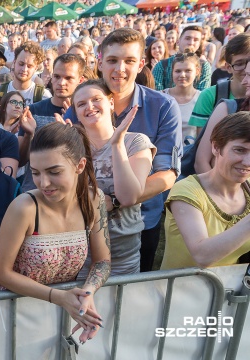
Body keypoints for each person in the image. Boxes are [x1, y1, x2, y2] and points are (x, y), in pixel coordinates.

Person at [63, 28, 182, 273]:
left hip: (138, 223)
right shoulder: (84, 102)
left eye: (128, 61)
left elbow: (168, 173)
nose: (119, 69)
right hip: (81, 227)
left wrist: (117, 201)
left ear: (140, 64)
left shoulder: (163, 106)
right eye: (112, 60)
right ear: (100, 63)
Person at [0, 122, 111, 344]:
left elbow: (103, 260)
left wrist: (88, 292)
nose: (44, 183)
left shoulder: (94, 199)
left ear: (80, 165)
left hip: (65, 312)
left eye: (54, 172)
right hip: (18, 316)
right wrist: (58, 297)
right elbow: (1, 273)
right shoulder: (24, 208)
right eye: (35, 173)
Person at [73, 80, 156, 275]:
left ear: (111, 103)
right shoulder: (71, 146)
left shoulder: (135, 141)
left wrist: (117, 144)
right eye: (81, 104)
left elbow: (129, 197)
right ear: (76, 112)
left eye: (96, 99)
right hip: (80, 257)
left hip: (123, 257)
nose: (90, 107)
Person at [161, 112, 250, 269]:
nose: (247, 162)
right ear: (216, 147)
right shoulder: (186, 191)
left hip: (229, 289)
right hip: (179, 290)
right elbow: (202, 256)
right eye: (239, 150)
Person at [21, 54, 87, 192]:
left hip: (73, 192)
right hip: (35, 190)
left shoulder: (87, 113)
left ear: (80, 80)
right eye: (57, 77)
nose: (61, 83)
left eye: (68, 78)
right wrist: (29, 135)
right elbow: (21, 160)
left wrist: (75, 124)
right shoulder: (34, 110)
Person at [194, 61, 250, 174]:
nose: (244, 81)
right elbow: (201, 162)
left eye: (249, 76)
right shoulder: (228, 108)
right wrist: (217, 190)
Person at [189, 33, 250, 133]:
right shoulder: (210, 96)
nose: (247, 68)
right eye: (239, 64)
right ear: (228, 67)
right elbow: (203, 141)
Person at [152, 25, 212, 91]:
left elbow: (202, 95)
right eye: (187, 38)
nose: (191, 43)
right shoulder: (162, 65)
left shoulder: (203, 66)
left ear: (199, 44)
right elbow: (157, 95)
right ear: (178, 42)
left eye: (196, 40)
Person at [0, 42, 51, 108]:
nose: (24, 69)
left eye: (29, 66)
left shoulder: (44, 96)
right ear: (14, 63)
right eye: (21, 64)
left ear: (35, 68)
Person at [162, 53, 201, 141]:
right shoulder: (162, 97)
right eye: (178, 71)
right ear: (172, 72)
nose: (182, 75)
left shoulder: (202, 98)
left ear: (197, 71)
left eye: (188, 71)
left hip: (190, 152)